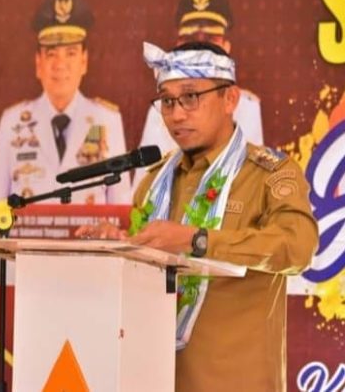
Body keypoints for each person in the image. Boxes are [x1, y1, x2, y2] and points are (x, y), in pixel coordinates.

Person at [76, 41, 319, 391]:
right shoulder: (154, 182)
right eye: (167, 101)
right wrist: (121, 247)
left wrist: (197, 240)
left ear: (230, 99)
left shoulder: (268, 174)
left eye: (190, 97)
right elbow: (149, 272)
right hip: (153, 379)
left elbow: (298, 249)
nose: (176, 115)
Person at [0, 0, 131, 204]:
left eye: (71, 53)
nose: (60, 64)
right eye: (51, 54)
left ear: (84, 61)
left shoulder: (106, 120)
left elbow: (120, 207)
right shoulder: (12, 122)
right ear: (38, 63)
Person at [135, 0, 264, 190]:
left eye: (211, 40)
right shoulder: (161, 109)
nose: (200, 51)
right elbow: (143, 191)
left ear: (226, 47)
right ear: (179, 46)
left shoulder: (248, 107)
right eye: (191, 40)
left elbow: (250, 186)